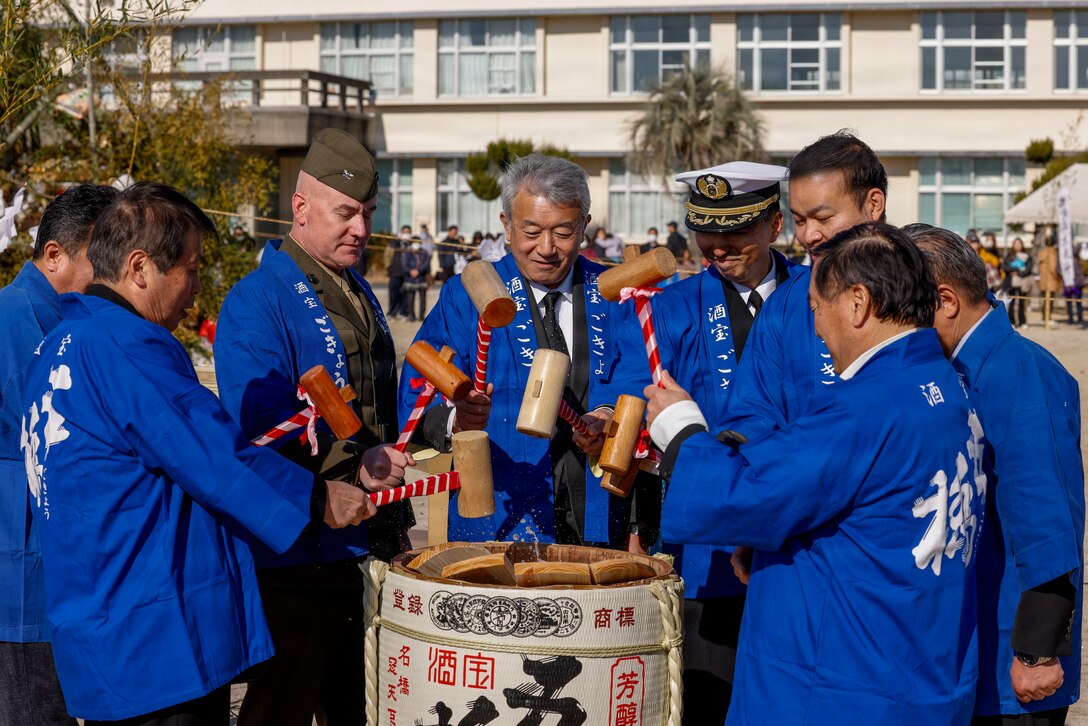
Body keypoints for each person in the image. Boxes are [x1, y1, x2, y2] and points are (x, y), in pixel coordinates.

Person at [20, 182, 376, 724]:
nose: (196, 289)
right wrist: (317, 497)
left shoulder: (60, 343)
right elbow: (214, 455)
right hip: (154, 634)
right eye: (190, 269)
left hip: (100, 619)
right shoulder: (124, 346)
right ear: (140, 268)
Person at [646, 223, 986, 724]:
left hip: (841, 683)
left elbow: (744, 492)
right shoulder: (945, 384)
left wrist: (680, 428)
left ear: (857, 303)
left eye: (814, 309)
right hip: (920, 663)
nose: (817, 328)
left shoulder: (866, 408)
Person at [214, 128, 414, 726]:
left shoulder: (356, 289)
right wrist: (352, 467)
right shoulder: (259, 299)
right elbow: (262, 429)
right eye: (346, 212)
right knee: (282, 706)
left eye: (369, 214)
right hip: (300, 552)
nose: (360, 228)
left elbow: (380, 407)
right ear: (300, 208)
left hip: (365, 542)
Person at [398, 153, 658, 550]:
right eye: (531, 230)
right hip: (497, 516)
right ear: (506, 225)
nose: (547, 248)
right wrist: (457, 419)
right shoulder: (467, 295)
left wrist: (608, 416)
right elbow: (419, 388)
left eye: (564, 231)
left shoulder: (615, 293)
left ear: (585, 227)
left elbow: (641, 378)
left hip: (600, 514)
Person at [907, 224, 1084, 726]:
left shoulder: (1019, 371)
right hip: (969, 634)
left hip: (1015, 654)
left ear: (945, 301)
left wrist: (1037, 651)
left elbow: (1046, 515)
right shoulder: (957, 368)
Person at [650, 162, 802, 723]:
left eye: (735, 231)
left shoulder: (822, 301)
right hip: (707, 546)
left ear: (775, 225)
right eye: (705, 233)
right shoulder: (670, 307)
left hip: (799, 533)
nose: (717, 246)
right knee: (709, 696)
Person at [0, 184, 117, 726]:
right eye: (103, 257)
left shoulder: (71, 321)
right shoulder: (15, 319)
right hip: (23, 572)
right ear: (54, 255)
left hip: (58, 565)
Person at [721, 131, 887, 446]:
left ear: (873, 204)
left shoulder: (926, 282)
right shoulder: (786, 301)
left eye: (823, 217)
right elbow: (753, 406)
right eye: (799, 221)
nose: (809, 235)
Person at [1001, 237, 1032, 329]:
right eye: (1016, 244)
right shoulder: (1009, 256)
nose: (1018, 245)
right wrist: (1015, 269)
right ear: (1013, 245)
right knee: (1012, 301)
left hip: (1023, 282)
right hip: (1011, 282)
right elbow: (1005, 267)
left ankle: (1022, 321)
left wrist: (1018, 272)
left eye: (1019, 243)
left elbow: (1028, 268)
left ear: (1022, 245)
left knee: (1022, 302)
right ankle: (1012, 321)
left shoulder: (1027, 256)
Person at [385, 224, 412, 320]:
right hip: (395, 272)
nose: (406, 235)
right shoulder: (394, 243)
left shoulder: (412, 244)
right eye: (404, 232)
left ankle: (404, 312)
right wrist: (388, 268)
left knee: (405, 294)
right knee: (393, 293)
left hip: (406, 273)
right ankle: (392, 312)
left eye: (408, 233)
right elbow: (387, 256)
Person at [1037, 237, 1062, 323]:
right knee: (1050, 300)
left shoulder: (1042, 252)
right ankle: (1048, 318)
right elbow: (1053, 267)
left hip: (1043, 280)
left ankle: (1044, 317)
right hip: (1051, 280)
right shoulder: (1052, 253)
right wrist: (1058, 277)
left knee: (1044, 300)